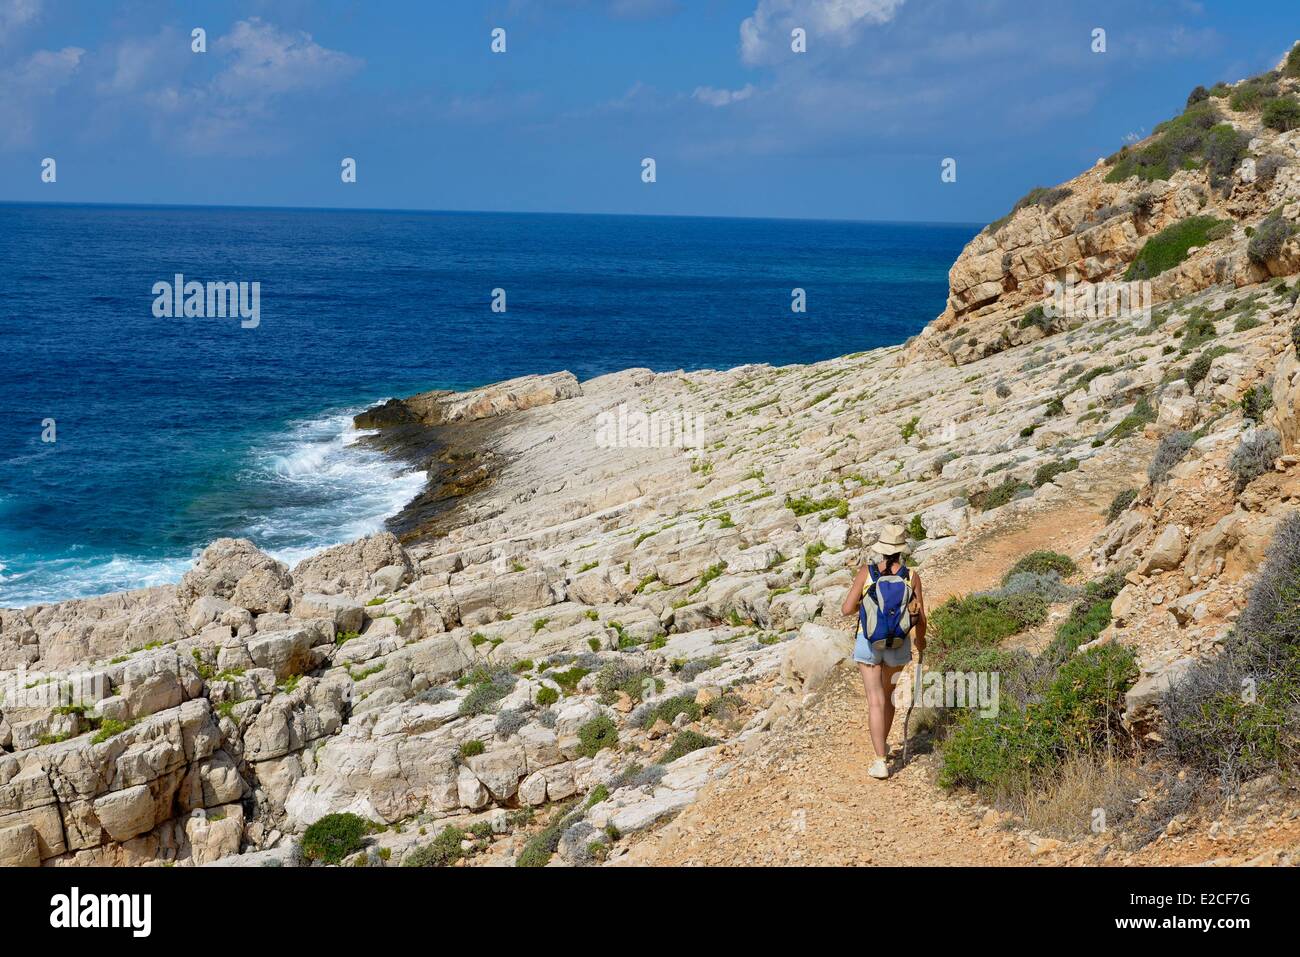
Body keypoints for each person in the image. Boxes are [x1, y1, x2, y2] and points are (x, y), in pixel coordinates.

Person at [840, 524, 927, 780]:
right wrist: (920, 641)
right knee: (888, 697)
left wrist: (865, 607)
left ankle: (880, 760)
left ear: (881, 550)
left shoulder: (866, 573)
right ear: (901, 551)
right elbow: (919, 616)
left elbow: (846, 609)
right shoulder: (911, 577)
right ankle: (884, 747)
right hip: (898, 644)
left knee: (874, 700)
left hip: (868, 641)